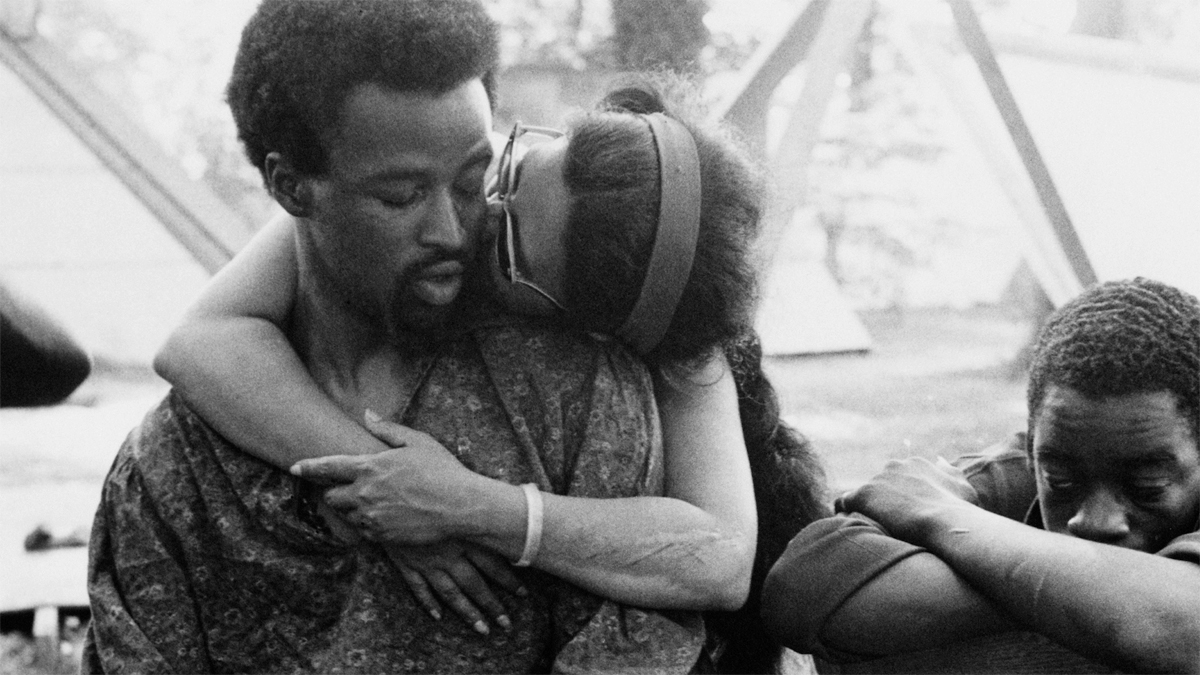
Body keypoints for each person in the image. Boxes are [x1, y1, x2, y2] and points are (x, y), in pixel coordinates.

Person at [86, 1, 828, 673]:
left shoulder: (634, 373)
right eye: (497, 174)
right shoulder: (444, 155)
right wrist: (384, 482)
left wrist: (477, 507)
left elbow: (720, 560)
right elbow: (199, 340)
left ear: (579, 321)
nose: (468, 223)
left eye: (505, 242)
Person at [762, 277, 1200, 673]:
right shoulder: (1014, 470)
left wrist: (942, 517)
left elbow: (1185, 628)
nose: (1093, 522)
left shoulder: (938, 505)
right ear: (1032, 443)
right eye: (1061, 482)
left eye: (1147, 488)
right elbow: (799, 590)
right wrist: (1107, 598)